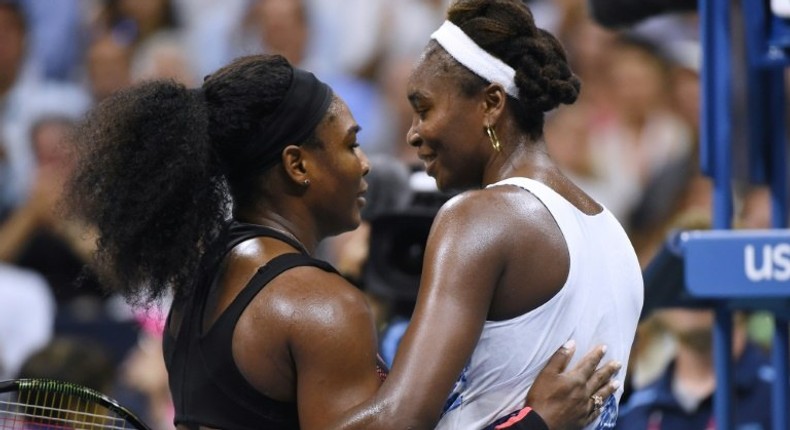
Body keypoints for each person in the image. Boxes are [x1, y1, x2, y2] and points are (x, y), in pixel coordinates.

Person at [65, 53, 620, 430]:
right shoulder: (318, 306)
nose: (365, 166)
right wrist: (538, 421)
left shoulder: (199, 282)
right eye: (351, 145)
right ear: (298, 165)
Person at [324, 0, 643, 428]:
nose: (413, 134)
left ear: (492, 103)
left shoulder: (477, 217)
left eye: (424, 109)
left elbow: (398, 420)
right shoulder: (613, 233)